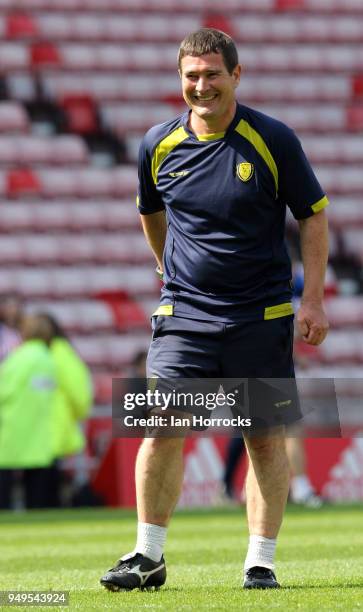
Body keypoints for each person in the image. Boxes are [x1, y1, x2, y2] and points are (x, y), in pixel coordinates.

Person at [100, 28, 329, 591]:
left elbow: (314, 215)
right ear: (180, 79)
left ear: (236, 75)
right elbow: (150, 210)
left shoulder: (272, 139)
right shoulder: (157, 143)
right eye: (191, 76)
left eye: (212, 75)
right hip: (185, 317)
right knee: (162, 427)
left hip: (263, 316)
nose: (201, 86)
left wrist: (315, 298)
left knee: (264, 439)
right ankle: (146, 556)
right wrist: (166, 268)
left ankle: (260, 562)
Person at [0, 314, 56, 509]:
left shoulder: (18, 357)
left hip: (12, 428)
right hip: (40, 431)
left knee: (4, 487)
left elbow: (4, 390)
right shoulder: (48, 359)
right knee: (37, 495)